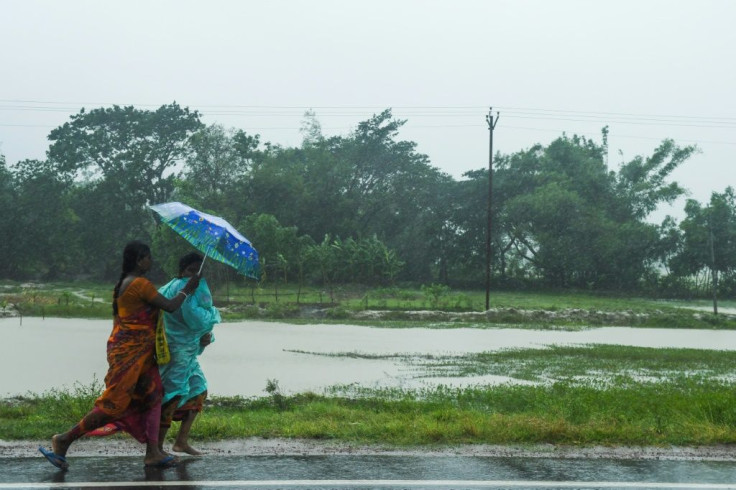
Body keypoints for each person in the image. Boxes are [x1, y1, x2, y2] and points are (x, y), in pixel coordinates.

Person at [38, 241, 200, 470]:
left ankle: (153, 452)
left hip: (142, 355)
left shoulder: (124, 283)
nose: (150, 261)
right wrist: (188, 288)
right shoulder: (139, 284)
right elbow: (171, 306)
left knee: (154, 396)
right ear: (138, 260)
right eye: (147, 257)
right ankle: (64, 439)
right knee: (113, 405)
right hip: (129, 354)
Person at [157, 252, 221, 455]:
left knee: (198, 390)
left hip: (187, 353)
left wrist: (205, 337)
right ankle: (157, 448)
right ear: (182, 271)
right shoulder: (182, 288)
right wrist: (213, 316)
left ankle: (181, 442)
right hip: (176, 353)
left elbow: (197, 327)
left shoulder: (176, 287)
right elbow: (197, 319)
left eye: (198, 271)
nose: (194, 275)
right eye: (191, 270)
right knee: (172, 396)